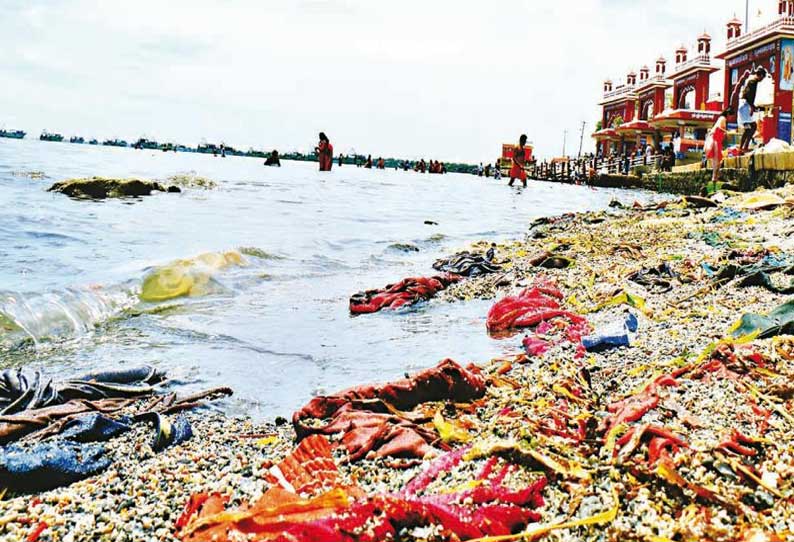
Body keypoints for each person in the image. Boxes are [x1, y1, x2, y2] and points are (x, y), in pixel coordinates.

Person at [734, 66, 767, 154]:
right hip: (745, 105)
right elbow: (749, 95)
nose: (762, 80)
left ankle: (742, 148)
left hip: (743, 105)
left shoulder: (750, 80)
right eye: (762, 77)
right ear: (760, 75)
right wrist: (752, 107)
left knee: (748, 128)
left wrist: (753, 107)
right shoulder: (753, 81)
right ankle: (745, 147)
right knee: (753, 126)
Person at [704, 107, 734, 190]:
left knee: (717, 162)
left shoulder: (721, 119)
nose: (731, 118)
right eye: (731, 116)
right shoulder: (723, 118)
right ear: (728, 114)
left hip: (716, 140)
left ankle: (714, 179)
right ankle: (714, 180)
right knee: (717, 161)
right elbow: (718, 128)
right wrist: (727, 132)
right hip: (715, 140)